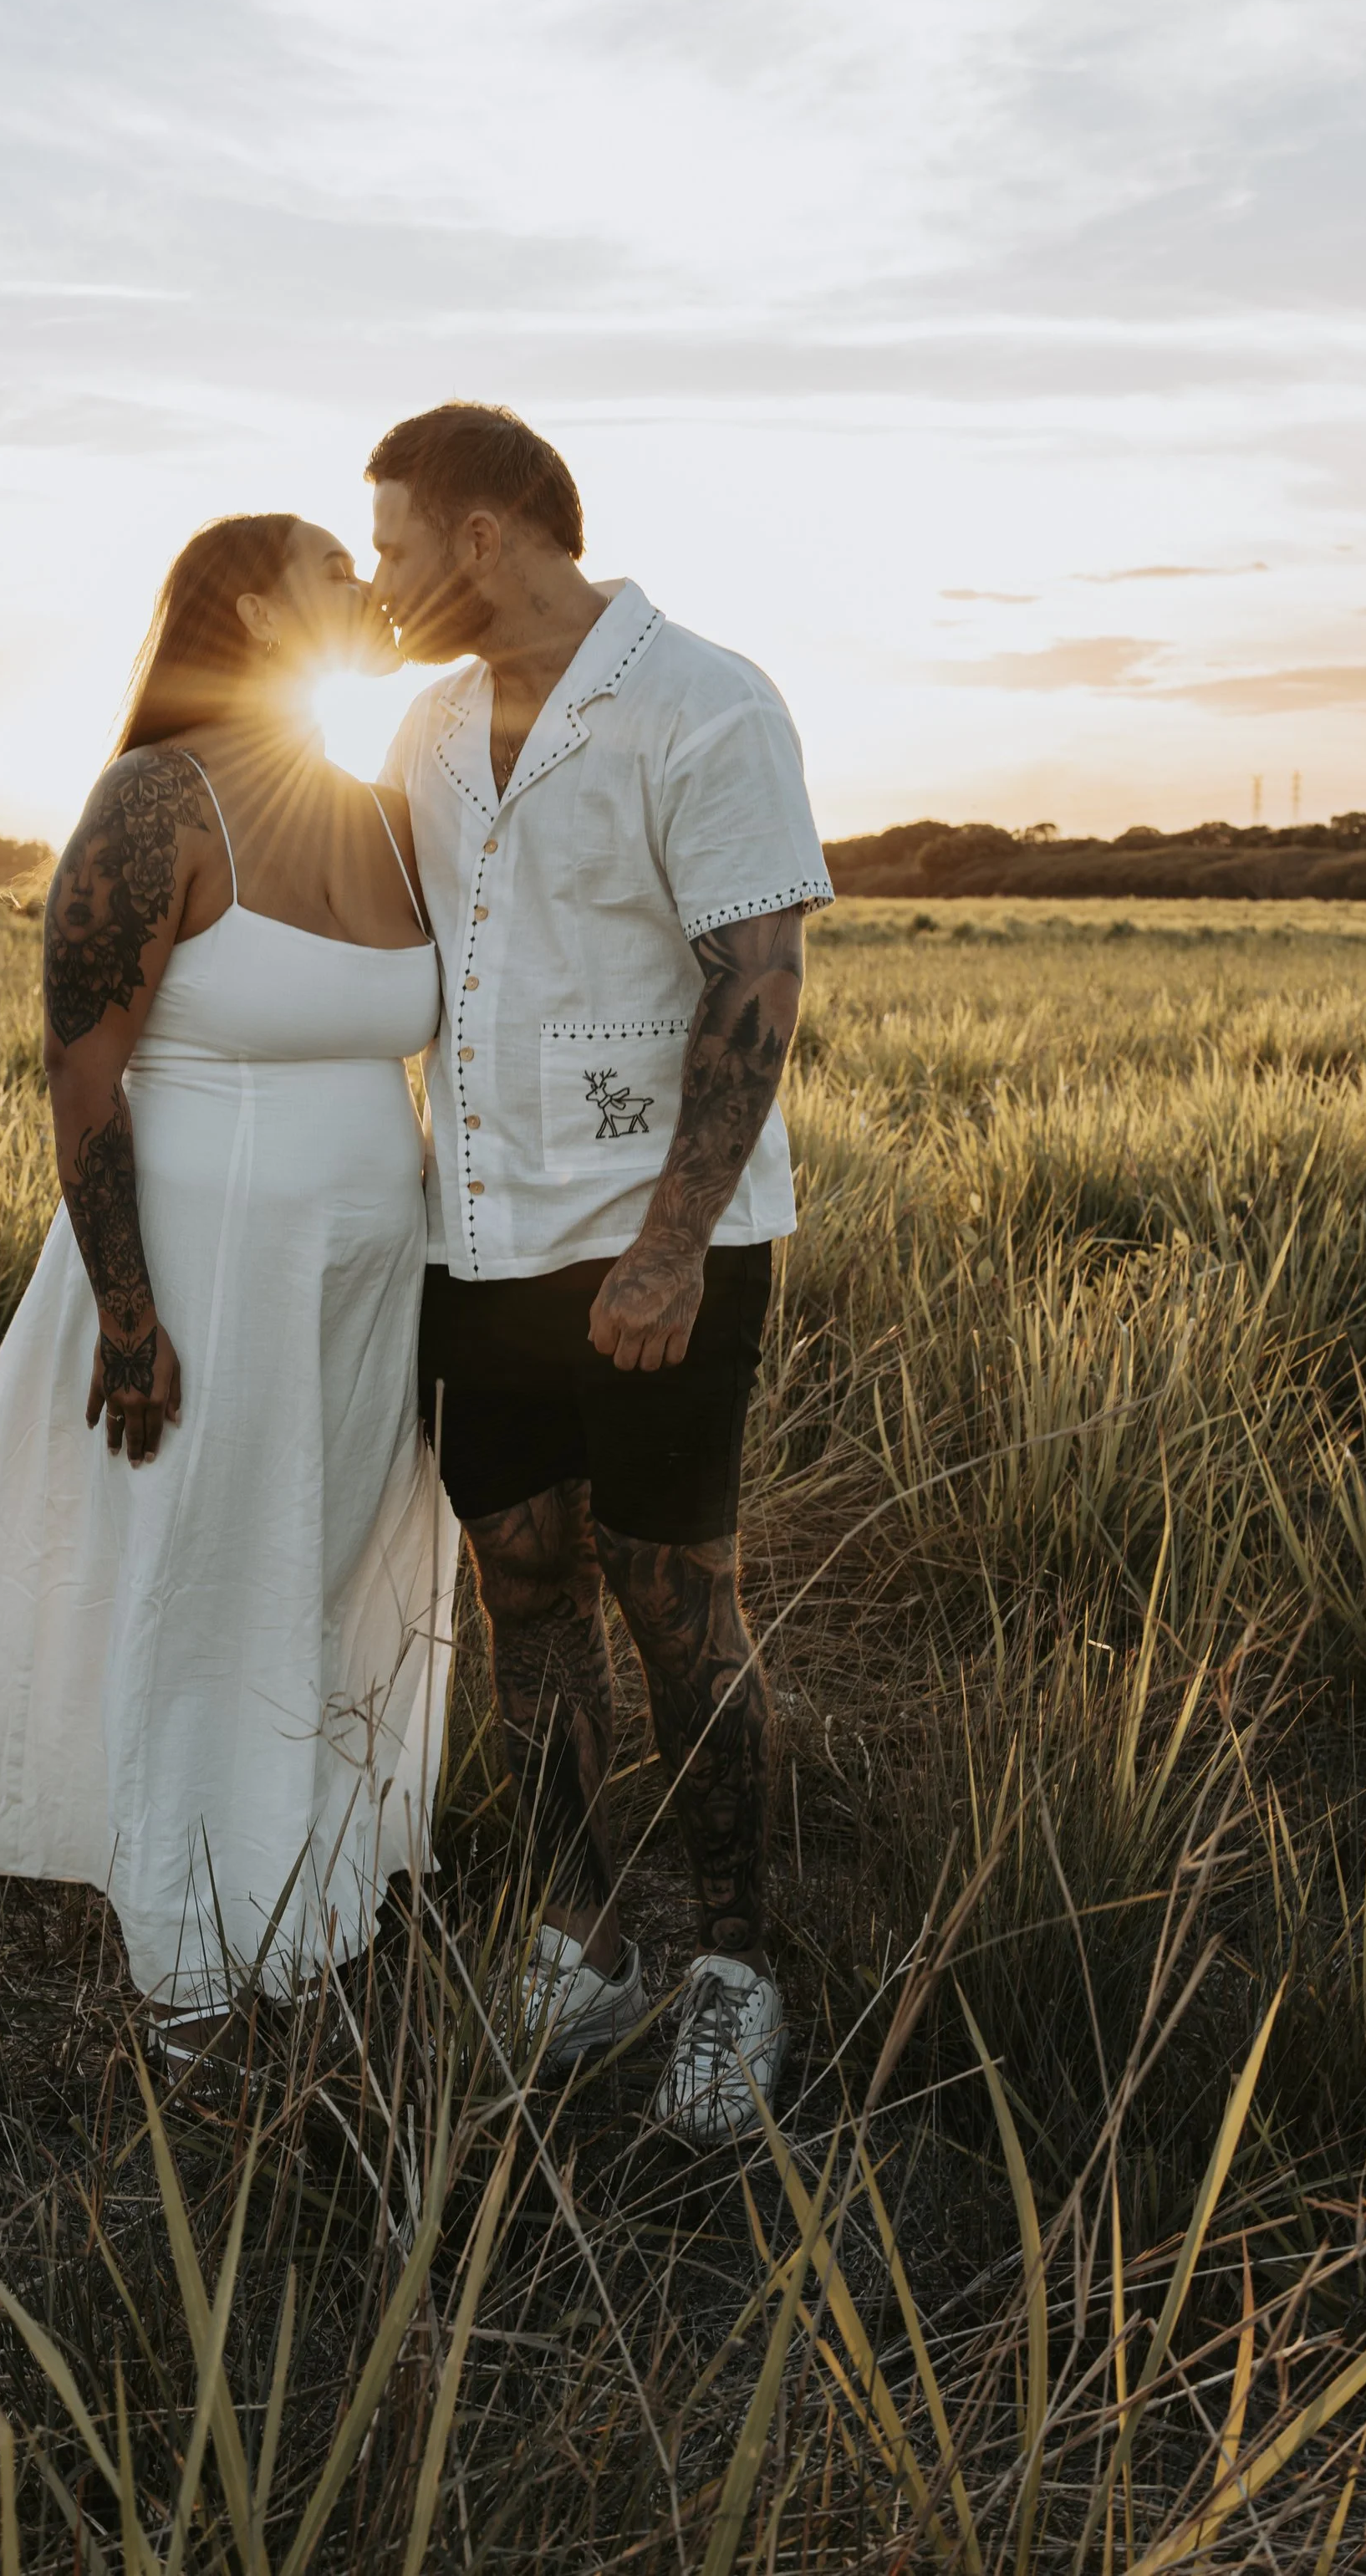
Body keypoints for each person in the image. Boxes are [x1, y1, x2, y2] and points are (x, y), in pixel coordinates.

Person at [0, 514, 457, 2065]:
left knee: (320, 1574)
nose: (369, 590)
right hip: (200, 1273)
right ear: (258, 605)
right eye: (338, 567)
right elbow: (80, 1063)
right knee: (203, 1583)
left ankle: (303, 1913)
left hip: (367, 1283)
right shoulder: (156, 799)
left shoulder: (395, 810)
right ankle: (195, 1974)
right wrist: (129, 1314)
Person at [372, 403, 829, 2142]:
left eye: (392, 544)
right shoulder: (420, 728)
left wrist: (664, 1249)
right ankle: (583, 1943)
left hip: (653, 1250)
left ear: (483, 535)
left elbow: (754, 981)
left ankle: (731, 1967)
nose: (376, 578)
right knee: (523, 1588)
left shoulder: (701, 697)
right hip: (473, 1237)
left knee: (671, 1595)